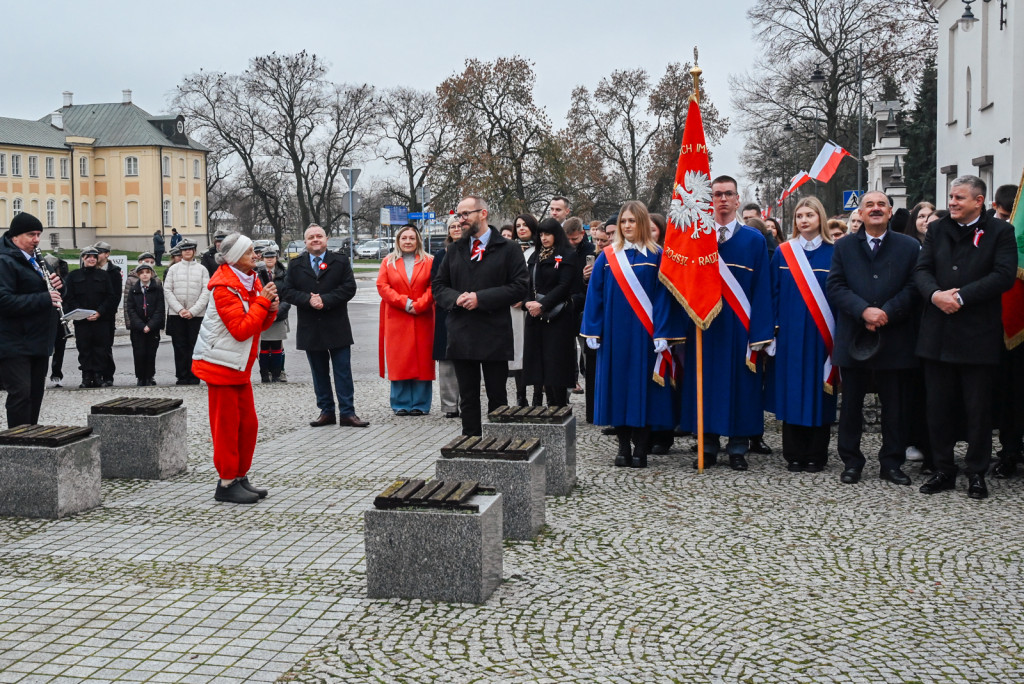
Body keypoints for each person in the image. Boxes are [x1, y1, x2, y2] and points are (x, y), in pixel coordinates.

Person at [915, 175, 1017, 500]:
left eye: (959, 198)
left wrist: (960, 298)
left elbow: (1003, 275)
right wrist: (935, 295)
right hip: (938, 334)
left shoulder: (1001, 232)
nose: (952, 203)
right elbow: (922, 270)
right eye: (951, 197)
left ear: (979, 201)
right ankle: (944, 469)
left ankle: (976, 472)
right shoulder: (937, 229)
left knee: (978, 410)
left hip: (977, 335)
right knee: (939, 407)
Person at [679, 176, 772, 471]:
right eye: (716, 194)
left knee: (741, 386)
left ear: (736, 200)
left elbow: (762, 288)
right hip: (704, 326)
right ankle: (706, 444)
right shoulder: (698, 239)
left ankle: (738, 447)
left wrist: (761, 332)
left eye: (727, 194)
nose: (722, 199)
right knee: (705, 384)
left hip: (740, 327)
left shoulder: (754, 240)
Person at [827, 191, 920, 486]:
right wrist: (863, 311)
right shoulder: (843, 247)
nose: (876, 209)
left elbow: (914, 286)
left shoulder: (909, 246)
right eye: (870, 205)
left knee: (895, 406)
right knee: (851, 406)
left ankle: (891, 463)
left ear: (890, 212)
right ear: (862, 213)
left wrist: (886, 313)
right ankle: (852, 462)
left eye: (882, 205)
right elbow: (836, 285)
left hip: (895, 337)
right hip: (855, 336)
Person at [582, 201, 682, 468]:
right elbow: (596, 295)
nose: (626, 226)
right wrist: (592, 328)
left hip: (646, 335)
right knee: (618, 390)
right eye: (623, 222)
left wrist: (663, 332)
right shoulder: (607, 256)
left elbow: (664, 298)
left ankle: (641, 449)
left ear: (641, 223)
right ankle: (623, 447)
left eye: (632, 221)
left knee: (644, 390)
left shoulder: (657, 255)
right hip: (614, 336)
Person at [432, 195, 529, 436]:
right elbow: (438, 287)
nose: (461, 220)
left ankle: (499, 445)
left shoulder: (508, 248)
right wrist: (456, 298)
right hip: (461, 333)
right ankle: (470, 444)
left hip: (494, 332)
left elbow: (520, 286)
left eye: (466, 215)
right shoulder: (455, 249)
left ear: (483, 214)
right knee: (468, 397)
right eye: (459, 215)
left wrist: (481, 299)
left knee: (497, 396)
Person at [191, 233, 278, 504]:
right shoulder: (224, 287)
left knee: (248, 424)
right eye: (250, 252)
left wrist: (270, 309)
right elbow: (241, 331)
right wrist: (263, 303)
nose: (256, 256)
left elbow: (257, 326)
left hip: (237, 365)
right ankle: (226, 483)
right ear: (234, 258)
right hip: (220, 365)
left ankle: (240, 476)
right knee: (227, 427)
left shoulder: (248, 281)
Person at [768, 197, 837, 472]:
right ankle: (794, 454)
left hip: (823, 337)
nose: (804, 220)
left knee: (820, 392)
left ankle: (817, 455)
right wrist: (771, 331)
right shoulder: (784, 253)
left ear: (820, 217)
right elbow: (771, 293)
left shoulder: (835, 252)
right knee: (792, 391)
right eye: (799, 216)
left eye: (809, 214)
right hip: (790, 336)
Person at [282, 224, 368, 428]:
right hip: (311, 327)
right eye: (311, 237)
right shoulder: (296, 265)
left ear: (326, 239)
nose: (315, 239)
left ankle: (348, 413)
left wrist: (325, 300)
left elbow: (349, 288)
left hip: (336, 325)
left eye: (319, 236)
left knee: (343, 372)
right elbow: (287, 291)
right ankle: (326, 411)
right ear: (305, 242)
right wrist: (308, 300)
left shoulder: (339, 261)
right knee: (319, 373)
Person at [0, 213, 62, 427]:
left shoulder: (37, 259)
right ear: (15, 236)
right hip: (14, 342)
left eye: (38, 234)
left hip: (39, 339)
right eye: (31, 235)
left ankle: (32, 442)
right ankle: (17, 445)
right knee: (21, 394)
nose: (36, 239)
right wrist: (44, 297)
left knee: (35, 395)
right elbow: (4, 301)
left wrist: (59, 287)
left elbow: (54, 294)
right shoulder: (4, 261)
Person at [377, 224, 435, 416]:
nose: (408, 241)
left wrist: (420, 305)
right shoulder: (388, 262)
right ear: (398, 241)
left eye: (412, 238)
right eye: (404, 238)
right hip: (398, 317)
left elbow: (434, 286)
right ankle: (400, 403)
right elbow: (383, 287)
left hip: (423, 317)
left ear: (418, 240)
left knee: (422, 360)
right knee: (399, 360)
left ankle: (420, 403)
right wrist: (405, 303)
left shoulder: (429, 261)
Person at [523, 218, 578, 407]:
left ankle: (559, 405)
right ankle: (545, 404)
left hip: (558, 315)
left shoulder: (567, 255)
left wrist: (543, 304)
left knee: (557, 362)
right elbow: (529, 283)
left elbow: (564, 286)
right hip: (536, 315)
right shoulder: (535, 256)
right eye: (541, 234)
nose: (544, 238)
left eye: (548, 234)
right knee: (540, 362)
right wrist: (528, 303)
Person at [65, 246, 115, 389]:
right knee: (84, 348)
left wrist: (100, 312)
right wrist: (80, 312)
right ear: (83, 258)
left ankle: (98, 376)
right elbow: (69, 297)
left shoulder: (104, 276)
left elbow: (110, 297)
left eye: (94, 256)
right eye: (88, 256)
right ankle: (86, 376)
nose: (92, 259)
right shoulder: (74, 276)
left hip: (100, 319)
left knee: (101, 348)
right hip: (82, 320)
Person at [164, 239, 209, 385]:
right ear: (181, 252)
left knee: (195, 345)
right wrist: (180, 309)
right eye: (184, 250)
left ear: (194, 251)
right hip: (177, 314)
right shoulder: (173, 269)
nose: (187, 251)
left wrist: (193, 311)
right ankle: (182, 376)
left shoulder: (202, 269)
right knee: (179, 345)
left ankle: (194, 375)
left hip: (196, 314)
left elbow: (206, 291)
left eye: (190, 249)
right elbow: (168, 290)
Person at [432, 217, 463, 418]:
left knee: (467, 360)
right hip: (447, 310)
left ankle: (468, 403)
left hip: (471, 310)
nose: (456, 229)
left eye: (459, 226)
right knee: (447, 362)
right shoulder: (441, 255)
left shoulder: (475, 252)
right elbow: (436, 284)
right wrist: (453, 300)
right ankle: (450, 406)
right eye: (452, 227)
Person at [564, 216, 594, 397]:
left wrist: (585, 279)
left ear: (583, 233)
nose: (571, 242)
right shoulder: (563, 250)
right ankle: (568, 388)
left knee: (586, 353)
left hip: (584, 308)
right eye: (568, 239)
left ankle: (591, 390)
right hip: (568, 307)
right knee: (567, 354)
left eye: (574, 239)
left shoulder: (591, 250)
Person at [511, 214, 538, 406]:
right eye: (518, 225)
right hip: (512, 308)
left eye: (525, 225)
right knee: (517, 352)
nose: (521, 228)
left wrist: (526, 299)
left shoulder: (539, 250)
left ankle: (538, 395)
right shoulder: (510, 250)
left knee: (533, 350)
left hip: (532, 307)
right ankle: (521, 395)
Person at [124, 262, 164, 386]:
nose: (145, 275)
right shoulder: (134, 289)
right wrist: (141, 325)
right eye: (142, 273)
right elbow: (130, 309)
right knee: (139, 352)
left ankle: (150, 375)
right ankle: (140, 376)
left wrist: (151, 325)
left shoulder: (157, 289)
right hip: (138, 328)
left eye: (147, 272)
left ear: (151, 274)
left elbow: (160, 309)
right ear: (138, 275)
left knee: (151, 352)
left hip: (152, 327)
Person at [256, 248, 291, 383]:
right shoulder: (257, 274)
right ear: (262, 259)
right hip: (262, 315)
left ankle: (277, 374)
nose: (269, 259)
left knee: (277, 345)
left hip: (279, 315)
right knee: (264, 346)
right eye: (266, 257)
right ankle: (265, 375)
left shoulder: (284, 274)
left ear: (276, 258)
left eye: (272, 257)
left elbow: (288, 297)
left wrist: (277, 313)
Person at [94, 242, 122, 386]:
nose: (96, 255)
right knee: (91, 347)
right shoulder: (89, 268)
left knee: (105, 347)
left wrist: (104, 311)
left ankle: (107, 375)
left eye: (99, 252)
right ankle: (94, 375)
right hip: (91, 314)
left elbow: (116, 296)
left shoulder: (114, 272)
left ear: (106, 254)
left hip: (107, 316)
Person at [42, 250, 70, 387]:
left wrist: (66, 315)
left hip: (59, 317)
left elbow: (67, 297)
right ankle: (42, 375)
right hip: (45, 318)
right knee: (45, 349)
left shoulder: (63, 279)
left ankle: (57, 373)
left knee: (60, 347)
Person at [123, 252, 159, 328]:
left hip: (153, 321)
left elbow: (160, 304)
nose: (149, 264)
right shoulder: (131, 279)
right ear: (140, 262)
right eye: (147, 261)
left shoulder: (157, 280)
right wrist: (129, 322)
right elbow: (127, 303)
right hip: (137, 320)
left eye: (152, 262)